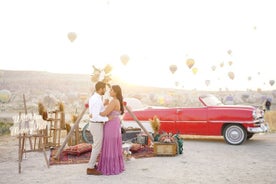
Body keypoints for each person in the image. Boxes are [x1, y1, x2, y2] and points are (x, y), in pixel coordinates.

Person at [97, 85, 125, 175]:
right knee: (113, 143)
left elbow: (104, 113)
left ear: (115, 92)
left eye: (111, 90)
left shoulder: (113, 101)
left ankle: (109, 167)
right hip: (115, 123)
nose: (109, 92)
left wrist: (95, 110)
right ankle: (115, 165)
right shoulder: (118, 101)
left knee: (109, 143)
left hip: (111, 124)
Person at [87, 81, 109, 175]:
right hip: (96, 124)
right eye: (104, 88)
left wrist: (104, 104)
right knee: (97, 147)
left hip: (95, 124)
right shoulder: (96, 99)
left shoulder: (96, 98)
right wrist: (107, 119)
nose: (105, 90)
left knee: (96, 146)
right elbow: (95, 116)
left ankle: (92, 165)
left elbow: (94, 112)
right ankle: (90, 168)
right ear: (100, 89)